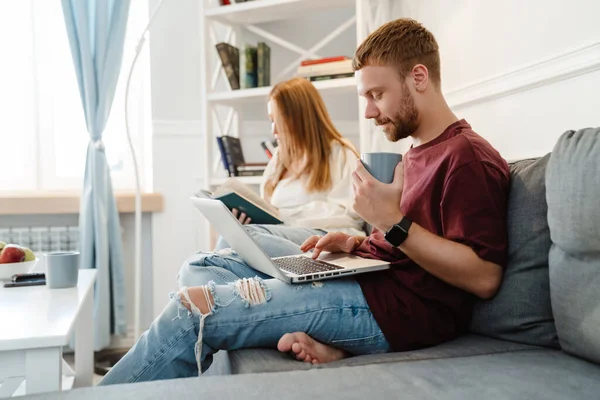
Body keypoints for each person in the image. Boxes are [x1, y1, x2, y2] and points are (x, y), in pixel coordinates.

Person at [99, 18, 510, 385]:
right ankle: (291, 313)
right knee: (203, 267)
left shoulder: (467, 157)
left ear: (419, 77)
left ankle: (294, 318)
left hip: (395, 310)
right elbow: (403, 241)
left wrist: (392, 222)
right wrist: (353, 244)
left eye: (377, 94)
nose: (368, 112)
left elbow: (484, 277)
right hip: (370, 281)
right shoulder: (417, 150)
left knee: (194, 309)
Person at [213, 77, 364, 258]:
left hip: (322, 237)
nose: (273, 130)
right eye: (271, 120)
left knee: (234, 239)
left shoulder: (339, 152)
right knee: (231, 238)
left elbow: (351, 214)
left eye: (278, 120)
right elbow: (269, 212)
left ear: (299, 118)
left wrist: (285, 216)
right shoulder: (278, 160)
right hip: (279, 235)